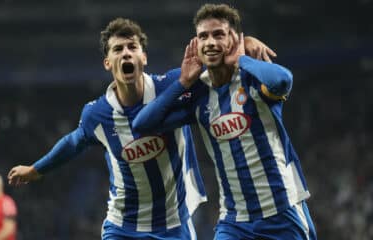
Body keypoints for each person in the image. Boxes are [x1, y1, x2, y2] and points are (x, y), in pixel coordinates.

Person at [7, 17, 275, 239]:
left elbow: (217, 71)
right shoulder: (97, 114)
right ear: (108, 63)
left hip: (174, 225)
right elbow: (75, 141)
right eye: (118, 49)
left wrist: (244, 44)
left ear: (143, 57)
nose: (126, 52)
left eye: (132, 47)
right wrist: (35, 169)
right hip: (123, 227)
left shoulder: (173, 84)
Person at [133, 4, 317, 240]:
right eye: (203, 36)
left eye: (218, 34)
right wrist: (182, 83)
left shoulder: (252, 78)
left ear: (233, 39)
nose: (210, 42)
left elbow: (282, 81)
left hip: (281, 212)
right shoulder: (198, 95)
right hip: (234, 221)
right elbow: (143, 125)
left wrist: (242, 59)